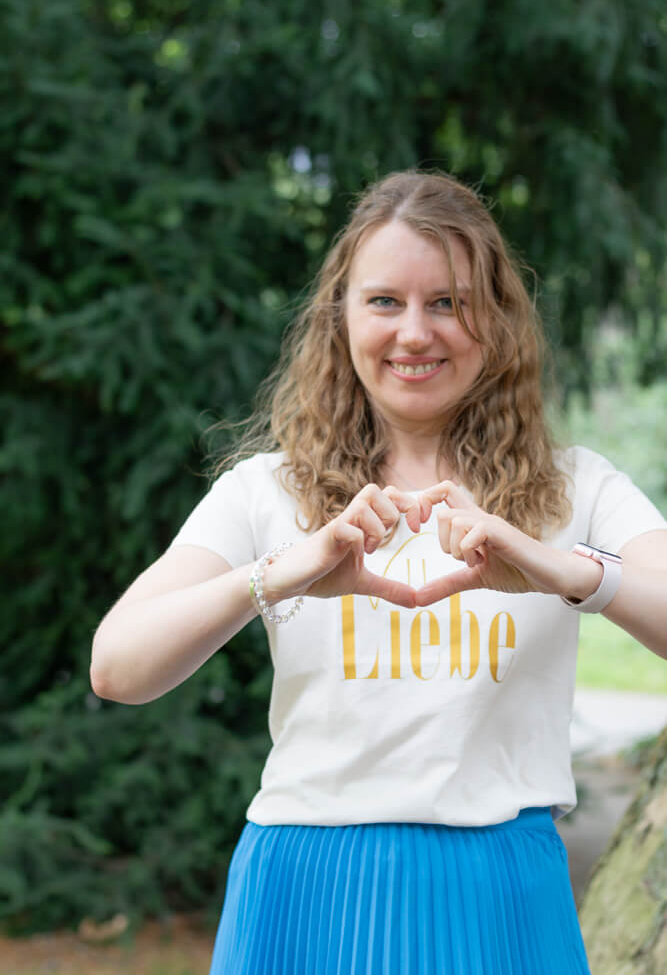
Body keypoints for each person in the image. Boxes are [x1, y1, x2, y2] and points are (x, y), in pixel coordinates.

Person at [90, 169, 667, 974]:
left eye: (449, 302)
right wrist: (279, 575)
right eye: (384, 301)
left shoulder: (578, 487)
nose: (414, 332)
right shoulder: (268, 490)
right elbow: (118, 667)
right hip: (303, 890)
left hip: (500, 891)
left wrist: (560, 570)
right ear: (342, 318)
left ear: (495, 319)